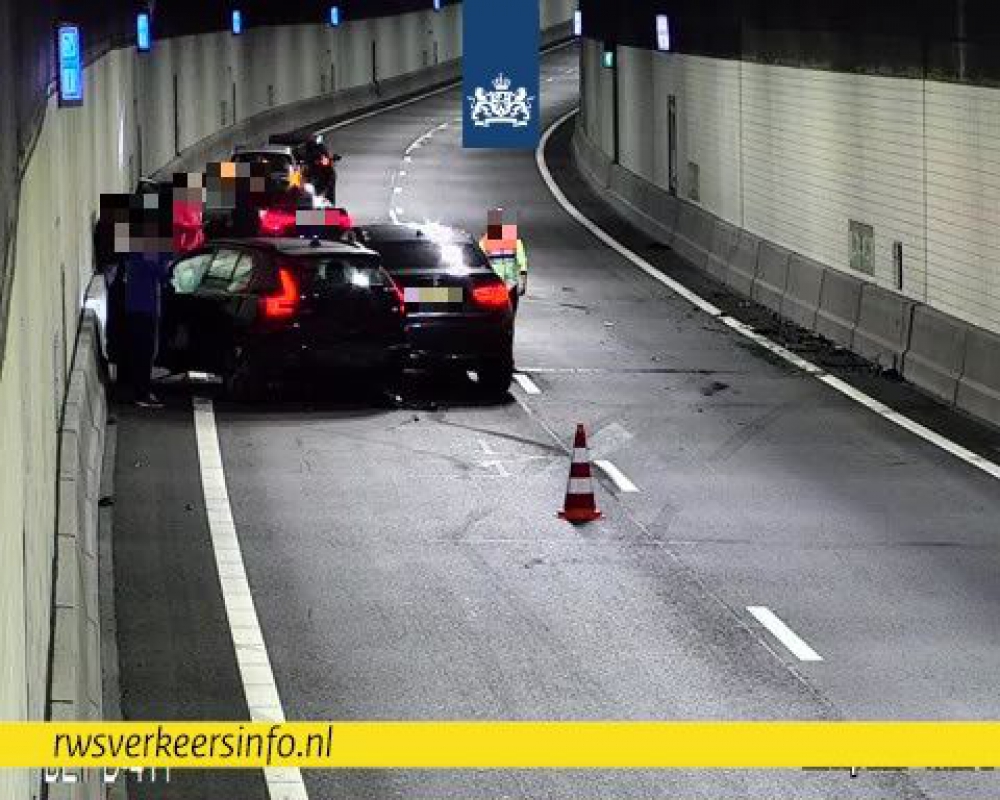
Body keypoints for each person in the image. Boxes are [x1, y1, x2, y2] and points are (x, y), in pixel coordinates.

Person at [117, 193, 174, 408]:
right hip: (146, 303)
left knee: (138, 348)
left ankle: (136, 389)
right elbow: (157, 270)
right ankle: (141, 393)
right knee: (145, 350)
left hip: (135, 301)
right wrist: (168, 269)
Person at [479, 208, 528, 312]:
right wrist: (523, 282)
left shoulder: (484, 241)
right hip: (510, 283)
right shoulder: (514, 240)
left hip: (495, 284)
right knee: (510, 311)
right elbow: (522, 262)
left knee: (495, 312)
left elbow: (480, 263)